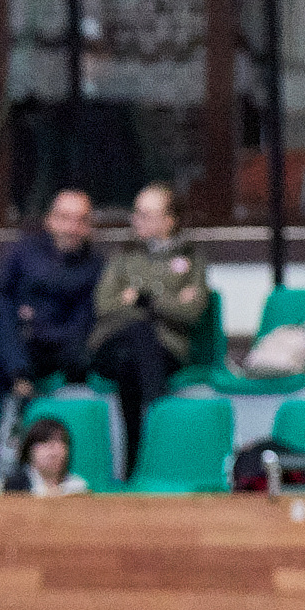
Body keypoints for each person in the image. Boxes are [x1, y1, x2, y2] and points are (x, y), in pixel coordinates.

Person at [87, 183, 212, 476]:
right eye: (136, 213)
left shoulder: (192, 259)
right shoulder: (123, 256)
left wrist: (142, 299)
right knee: (138, 332)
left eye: (146, 214)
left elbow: (192, 312)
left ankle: (132, 468)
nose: (136, 220)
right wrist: (163, 305)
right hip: (114, 343)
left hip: (165, 350)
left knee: (134, 360)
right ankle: (156, 413)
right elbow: (104, 304)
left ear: (170, 220)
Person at [0, 188, 104, 451]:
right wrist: (19, 333)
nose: (71, 227)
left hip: (57, 350)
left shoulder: (95, 266)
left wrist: (35, 326)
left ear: (89, 227)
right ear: (50, 220)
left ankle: (32, 442)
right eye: (65, 218)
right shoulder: (21, 251)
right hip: (12, 348)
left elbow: (84, 323)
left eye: (80, 220)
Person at [0, 415, 91, 497]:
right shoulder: (5, 486)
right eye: (46, 443)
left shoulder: (78, 487)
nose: (54, 452)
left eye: (61, 443)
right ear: (29, 449)